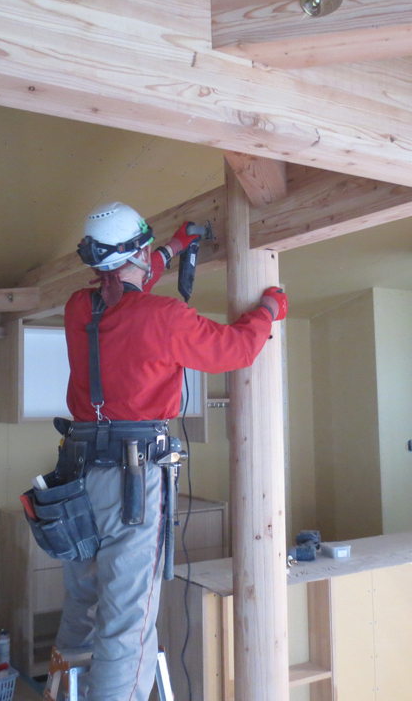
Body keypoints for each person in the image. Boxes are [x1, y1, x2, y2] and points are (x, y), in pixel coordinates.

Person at [53, 201, 287, 701]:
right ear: (136, 254)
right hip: (130, 481)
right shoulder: (163, 317)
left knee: (83, 601)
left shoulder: (78, 308)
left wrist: (176, 247)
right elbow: (236, 349)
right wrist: (270, 308)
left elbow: (129, 281)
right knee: (127, 619)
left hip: (76, 473)